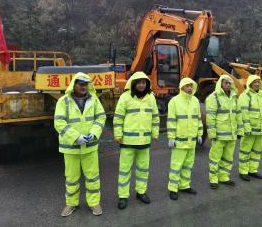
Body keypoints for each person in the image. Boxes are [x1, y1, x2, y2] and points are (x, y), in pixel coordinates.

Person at [54, 72, 106, 217]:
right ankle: (71, 203)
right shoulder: (63, 101)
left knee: (93, 177)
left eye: (86, 84)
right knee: (71, 178)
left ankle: (94, 203)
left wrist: (94, 133)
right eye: (80, 84)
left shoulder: (94, 100)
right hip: (71, 148)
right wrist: (76, 137)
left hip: (89, 147)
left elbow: (101, 117)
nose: (83, 87)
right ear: (74, 85)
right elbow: (59, 122)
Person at [113, 72, 159, 210]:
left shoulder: (151, 98)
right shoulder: (125, 97)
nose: (141, 85)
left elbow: (155, 117)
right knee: (124, 170)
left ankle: (141, 192)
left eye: (144, 82)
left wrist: (155, 133)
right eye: (139, 82)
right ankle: (123, 196)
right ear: (133, 83)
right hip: (128, 141)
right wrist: (117, 134)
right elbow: (118, 117)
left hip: (144, 141)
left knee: (143, 169)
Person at [167, 77, 203, 200]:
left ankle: (184, 185)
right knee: (176, 165)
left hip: (191, 141)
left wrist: (199, 134)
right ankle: (173, 188)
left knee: (188, 165)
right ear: (182, 87)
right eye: (187, 86)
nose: (189, 88)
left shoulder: (195, 101)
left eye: (191, 86)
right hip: (179, 141)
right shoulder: (174, 101)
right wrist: (171, 137)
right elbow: (171, 121)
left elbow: (198, 119)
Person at [206, 75, 242, 189]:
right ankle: (213, 179)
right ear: (220, 83)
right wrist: (212, 134)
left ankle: (224, 177)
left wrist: (240, 131)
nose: (228, 85)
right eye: (226, 83)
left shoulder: (234, 97)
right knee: (215, 158)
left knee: (228, 158)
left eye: (229, 83)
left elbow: (238, 115)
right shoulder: (214, 97)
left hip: (232, 135)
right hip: (219, 135)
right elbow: (210, 117)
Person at [238, 75, 262, 181]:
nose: (257, 84)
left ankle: (253, 170)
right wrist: (247, 128)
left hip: (260, 130)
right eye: (255, 82)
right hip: (250, 130)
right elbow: (244, 113)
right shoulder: (245, 95)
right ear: (250, 83)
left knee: (257, 151)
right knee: (245, 151)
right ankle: (243, 171)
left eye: (258, 82)